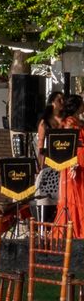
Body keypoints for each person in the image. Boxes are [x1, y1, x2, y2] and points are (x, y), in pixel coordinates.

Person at [55, 95, 84, 236]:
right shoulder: (69, 122)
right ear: (77, 106)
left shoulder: (78, 120)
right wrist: (72, 162)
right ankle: (74, 230)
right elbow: (68, 143)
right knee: (74, 194)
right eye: (82, 103)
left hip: (82, 161)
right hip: (75, 162)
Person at [36, 91, 66, 223]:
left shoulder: (66, 120)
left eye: (63, 99)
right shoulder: (45, 122)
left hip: (65, 160)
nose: (62, 102)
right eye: (59, 100)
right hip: (49, 161)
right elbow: (40, 147)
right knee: (50, 196)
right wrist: (39, 167)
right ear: (52, 102)